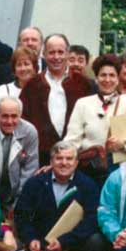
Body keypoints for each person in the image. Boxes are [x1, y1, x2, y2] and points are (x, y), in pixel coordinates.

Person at [15, 140, 109, 251]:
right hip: (43, 246)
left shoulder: (88, 185)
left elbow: (91, 220)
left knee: (96, 240)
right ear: (51, 161)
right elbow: (21, 215)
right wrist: (30, 239)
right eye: (59, 158)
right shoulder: (35, 183)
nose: (64, 163)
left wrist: (65, 241)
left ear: (76, 162)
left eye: (69, 158)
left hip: (75, 244)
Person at [66, 54, 126, 185]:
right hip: (90, 169)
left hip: (122, 169)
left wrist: (124, 143)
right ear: (96, 78)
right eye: (103, 75)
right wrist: (64, 160)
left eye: (112, 75)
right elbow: (72, 139)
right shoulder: (83, 103)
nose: (107, 79)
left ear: (118, 79)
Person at [24, 33, 96, 165]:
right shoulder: (32, 85)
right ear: (43, 54)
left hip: (77, 158)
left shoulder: (85, 84)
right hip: (41, 159)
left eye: (60, 52)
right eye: (51, 52)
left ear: (68, 54)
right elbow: (24, 121)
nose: (56, 57)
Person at [0, 46, 39, 110]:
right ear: (14, 69)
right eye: (19, 65)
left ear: (34, 67)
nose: (23, 68)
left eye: (26, 64)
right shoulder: (4, 90)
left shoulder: (42, 89)